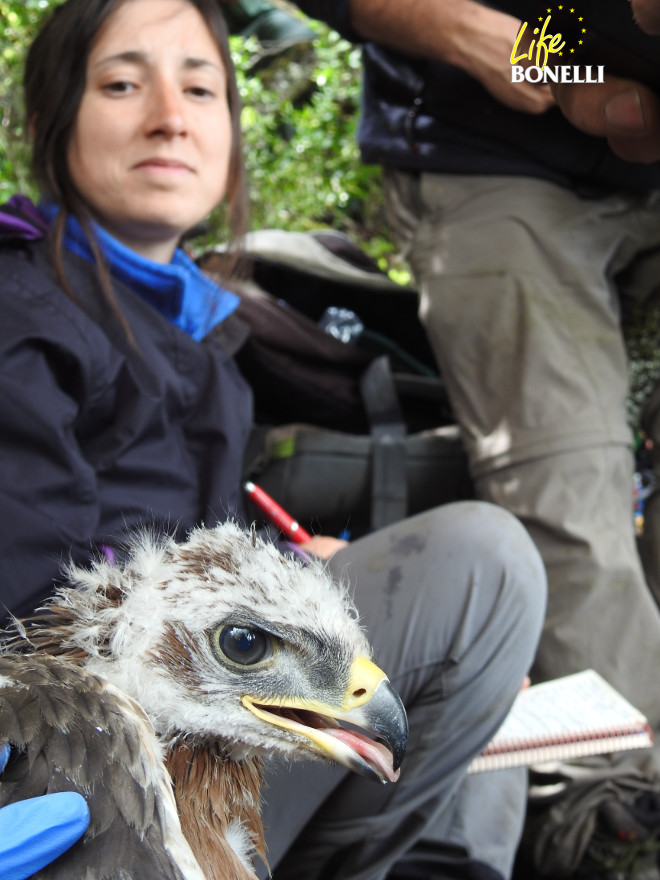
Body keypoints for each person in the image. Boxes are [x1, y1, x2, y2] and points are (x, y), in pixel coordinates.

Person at [0, 2, 548, 880]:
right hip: (76, 769)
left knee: (476, 662)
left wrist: (288, 577)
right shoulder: (20, 314)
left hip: (188, 735)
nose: (170, 116)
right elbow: (36, 614)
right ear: (47, 122)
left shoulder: (203, 335)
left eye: (201, 87)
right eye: (122, 82)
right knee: (486, 559)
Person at [286, 0, 660, 876]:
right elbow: (549, 59)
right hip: (499, 133)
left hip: (625, 130)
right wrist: (483, 34)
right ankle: (630, 813)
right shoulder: (546, 46)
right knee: (568, 487)